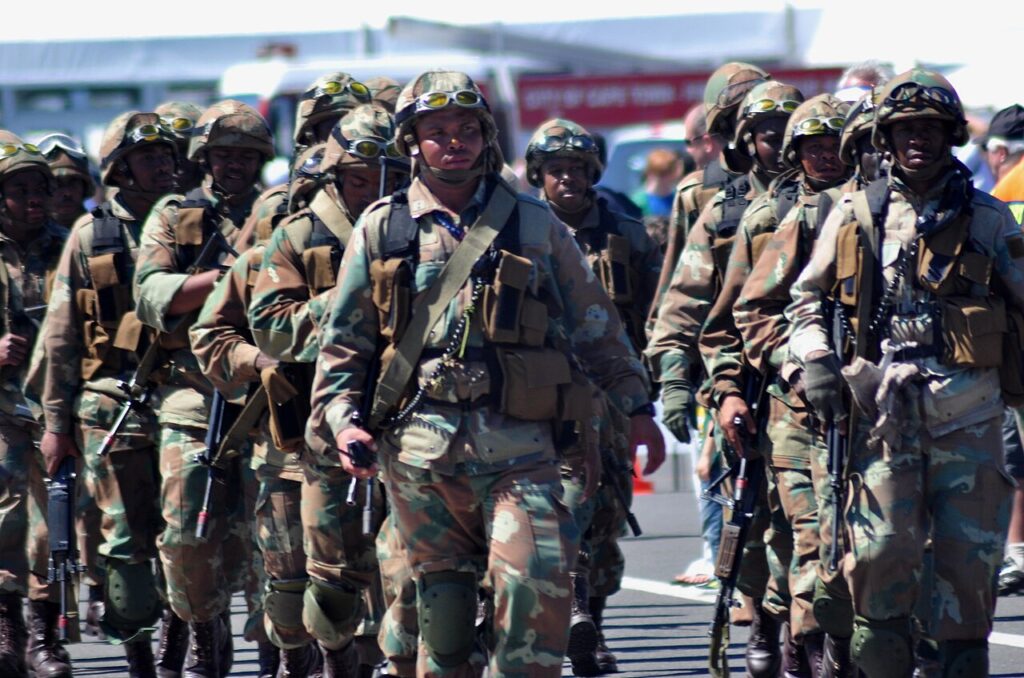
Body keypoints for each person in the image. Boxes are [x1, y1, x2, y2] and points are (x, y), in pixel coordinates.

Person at [308, 70, 664, 677]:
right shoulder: (383, 228)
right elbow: (344, 346)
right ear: (412, 142)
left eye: (467, 129)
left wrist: (636, 408)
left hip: (521, 447)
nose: (454, 141)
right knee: (443, 626)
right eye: (437, 131)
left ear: (486, 136)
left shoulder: (532, 222)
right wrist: (343, 422)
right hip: (419, 456)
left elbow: (596, 325)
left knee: (534, 587)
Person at [787, 68, 1019, 676]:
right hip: (882, 421)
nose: (918, 139)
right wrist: (816, 360)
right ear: (886, 138)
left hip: (970, 418)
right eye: (906, 128)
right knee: (879, 561)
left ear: (951, 135)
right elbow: (805, 301)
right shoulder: (854, 213)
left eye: (931, 128)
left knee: (969, 573)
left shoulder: (990, 219)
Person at [648, 79, 805, 677]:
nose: (779, 143)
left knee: (813, 520)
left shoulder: (839, 198)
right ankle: (762, 617)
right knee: (750, 515)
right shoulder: (722, 209)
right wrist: (675, 382)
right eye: (766, 132)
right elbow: (683, 302)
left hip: (814, 384)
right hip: (738, 381)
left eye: (787, 130)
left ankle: (807, 635)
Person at [249, 102, 406, 676]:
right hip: (328, 423)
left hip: (413, 418)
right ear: (337, 176)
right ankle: (335, 659)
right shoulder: (298, 235)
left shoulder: (424, 228)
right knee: (332, 584)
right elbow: (270, 327)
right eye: (360, 179)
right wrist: (349, 300)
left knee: (416, 571)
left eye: (388, 178)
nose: (374, 191)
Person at [28, 112, 182, 676]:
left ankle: (186, 646)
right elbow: (62, 335)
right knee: (123, 544)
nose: (160, 165)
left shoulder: (197, 223)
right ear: (121, 169)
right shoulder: (92, 236)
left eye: (166, 155)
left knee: (190, 539)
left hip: (187, 399)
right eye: (146, 157)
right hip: (111, 403)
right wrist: (54, 423)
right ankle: (141, 657)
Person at [134, 99, 271, 676]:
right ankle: (203, 627)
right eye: (223, 154)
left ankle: (280, 651)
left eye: (246, 155)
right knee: (188, 536)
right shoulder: (174, 215)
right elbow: (151, 296)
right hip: (193, 395)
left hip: (267, 397)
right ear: (204, 157)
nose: (234, 164)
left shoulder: (282, 209)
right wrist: (222, 279)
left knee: (277, 539)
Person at [524, 117, 662, 676]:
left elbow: (656, 313)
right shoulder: (518, 228)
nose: (567, 179)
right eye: (556, 169)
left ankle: (592, 627)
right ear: (538, 174)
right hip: (539, 393)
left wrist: (647, 392)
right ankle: (568, 614)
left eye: (577, 169)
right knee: (556, 504)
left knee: (606, 511)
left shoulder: (626, 234)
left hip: (609, 395)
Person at [732, 94, 855, 676]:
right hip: (797, 411)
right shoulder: (776, 220)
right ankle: (806, 650)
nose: (827, 157)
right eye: (814, 147)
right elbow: (744, 312)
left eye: (837, 145)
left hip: (875, 405)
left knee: (869, 542)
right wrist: (793, 366)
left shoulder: (879, 210)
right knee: (810, 537)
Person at [0, 132, 69, 676]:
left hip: (54, 410)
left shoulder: (70, 248)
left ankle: (45, 638)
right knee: (5, 520)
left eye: (39, 188)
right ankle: (8, 630)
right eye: (19, 189)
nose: (33, 199)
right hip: (2, 412)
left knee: (52, 527)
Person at [979, 104, 1024, 596]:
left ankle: (1016, 552)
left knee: (1013, 453)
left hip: (1016, 342)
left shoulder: (1004, 195)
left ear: (998, 152)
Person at [38, 133, 95, 229]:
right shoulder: (25, 234)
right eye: (57, 184)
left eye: (73, 182)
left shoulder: (104, 230)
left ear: (85, 187)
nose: (67, 193)